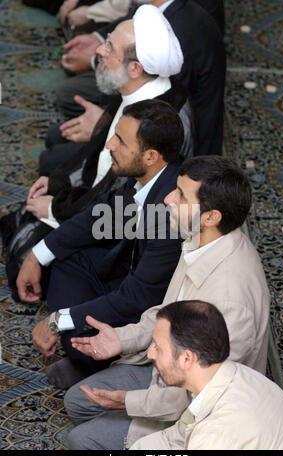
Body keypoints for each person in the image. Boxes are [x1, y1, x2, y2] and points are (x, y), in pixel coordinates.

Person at [63, 155, 270, 450]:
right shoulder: (202, 239)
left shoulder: (228, 303)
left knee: (81, 440)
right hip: (168, 366)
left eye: (181, 196)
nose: (168, 200)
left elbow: (198, 393)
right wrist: (121, 340)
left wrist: (128, 402)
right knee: (77, 403)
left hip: (197, 414)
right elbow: (167, 312)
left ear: (211, 216)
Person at [0, 5, 195, 297]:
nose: (100, 51)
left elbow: (119, 207)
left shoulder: (155, 123)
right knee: (31, 205)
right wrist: (60, 183)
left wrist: (57, 208)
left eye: (109, 47)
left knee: (23, 255)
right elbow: (99, 155)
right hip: (103, 198)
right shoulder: (140, 86)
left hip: (121, 229)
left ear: (135, 68)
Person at [16, 99, 185, 389]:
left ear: (150, 156)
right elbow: (97, 219)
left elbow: (137, 300)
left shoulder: (169, 216)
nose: (110, 145)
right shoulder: (153, 177)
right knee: (66, 259)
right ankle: (88, 356)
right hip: (128, 277)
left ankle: (106, 367)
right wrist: (36, 256)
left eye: (121, 140)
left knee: (75, 335)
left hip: (153, 313)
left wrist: (58, 320)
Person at [55, 0, 225, 155]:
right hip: (130, 97)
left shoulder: (181, 35)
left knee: (53, 156)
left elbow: (160, 127)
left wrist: (104, 125)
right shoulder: (158, 8)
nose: (100, 50)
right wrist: (96, 39)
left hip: (171, 148)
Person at [130, 300, 283, 450]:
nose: (150, 354)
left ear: (187, 358)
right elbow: (178, 436)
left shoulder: (215, 436)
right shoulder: (234, 375)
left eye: (158, 347)